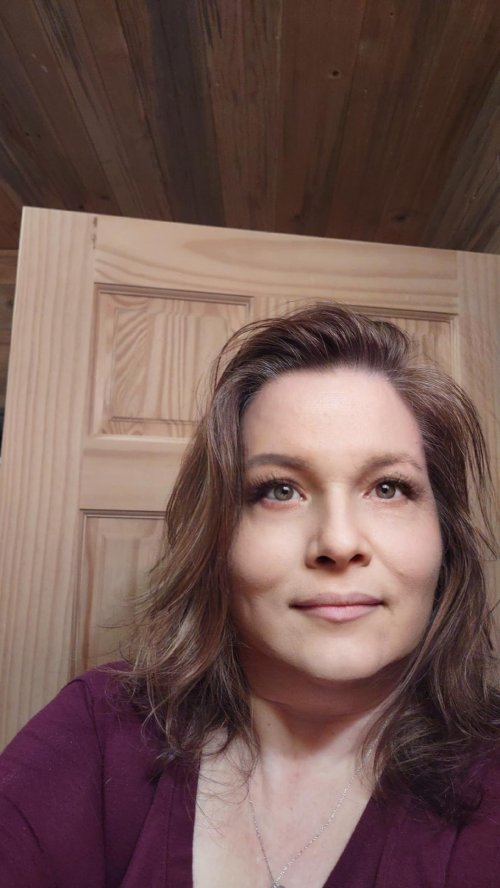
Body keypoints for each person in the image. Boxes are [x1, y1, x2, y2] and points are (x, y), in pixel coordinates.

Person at [0, 303, 498, 888]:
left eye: (388, 488)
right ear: (217, 535)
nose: (339, 543)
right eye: (279, 490)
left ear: (444, 535)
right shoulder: (99, 730)